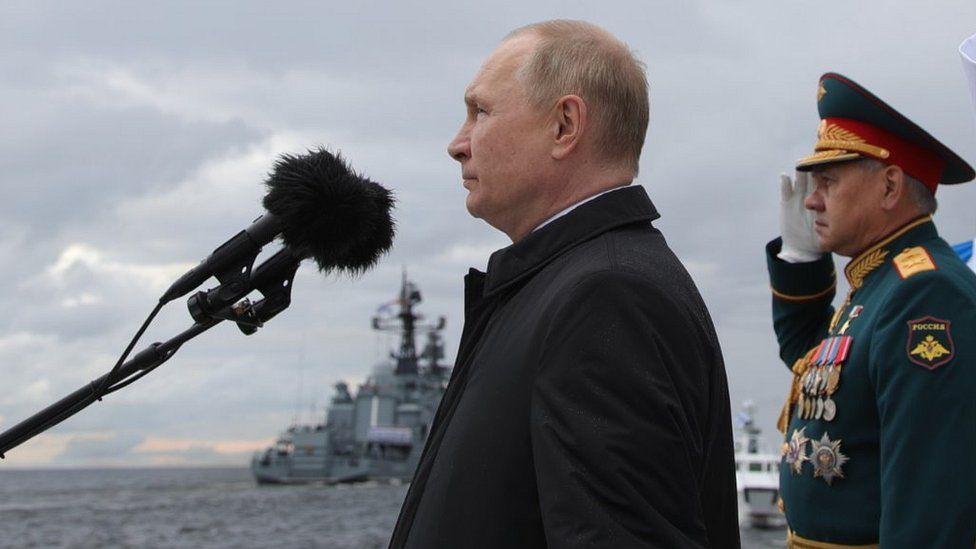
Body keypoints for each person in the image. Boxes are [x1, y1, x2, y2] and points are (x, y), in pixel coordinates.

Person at [388, 20, 739, 549]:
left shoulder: (608, 296)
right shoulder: (561, 286)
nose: (456, 144)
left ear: (564, 126)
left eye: (480, 112)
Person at [767, 72, 976, 547]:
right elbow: (814, 365)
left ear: (888, 187)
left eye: (828, 181)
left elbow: (929, 518)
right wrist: (801, 259)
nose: (813, 200)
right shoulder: (879, 285)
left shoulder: (927, 295)